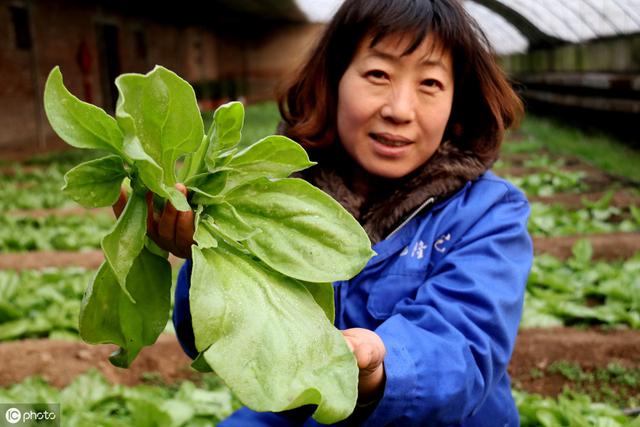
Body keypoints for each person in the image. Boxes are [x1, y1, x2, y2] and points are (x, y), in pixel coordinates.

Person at [120, 0, 533, 425]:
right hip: (308, 414)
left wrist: (378, 370)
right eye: (378, 74)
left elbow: (464, 348)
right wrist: (205, 255)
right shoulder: (275, 195)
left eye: (430, 83)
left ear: (456, 105)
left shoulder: (489, 213)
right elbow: (210, 342)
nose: (399, 110)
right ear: (332, 81)